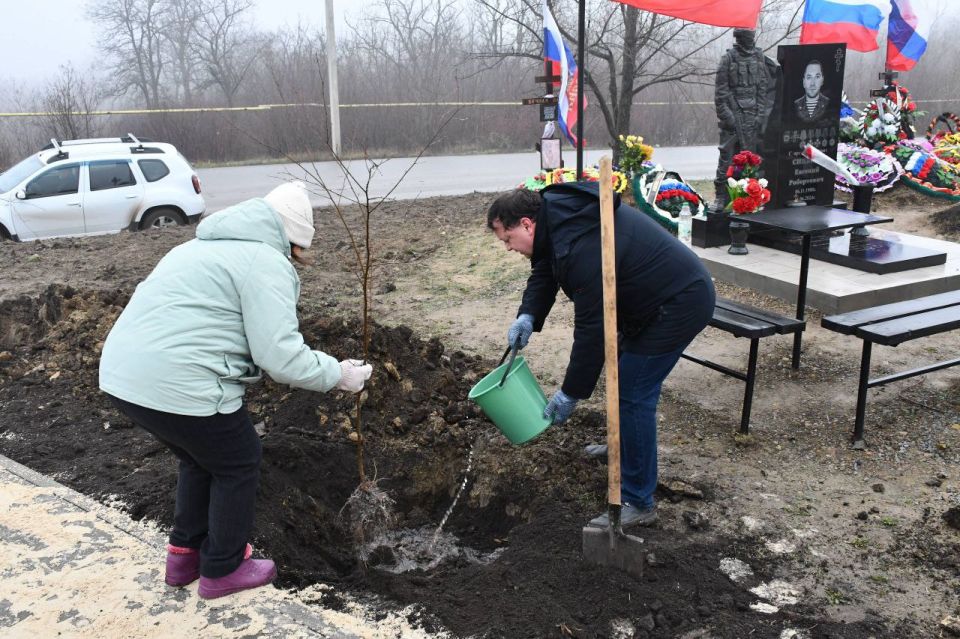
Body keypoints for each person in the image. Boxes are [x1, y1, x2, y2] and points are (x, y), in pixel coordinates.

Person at [98, 181, 372, 599]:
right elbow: (279, 356)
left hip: (125, 377)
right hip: (180, 381)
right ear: (293, 240)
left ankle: (183, 558)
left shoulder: (196, 247)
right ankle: (223, 568)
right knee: (239, 459)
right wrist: (338, 374)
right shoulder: (265, 261)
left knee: (198, 459)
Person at [487, 183, 715, 528]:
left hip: (678, 301)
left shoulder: (581, 247)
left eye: (507, 239)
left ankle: (639, 500)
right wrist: (528, 314)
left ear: (526, 224)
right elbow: (545, 269)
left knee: (633, 392)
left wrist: (571, 392)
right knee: (625, 380)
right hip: (649, 302)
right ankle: (623, 445)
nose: (507, 248)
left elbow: (593, 329)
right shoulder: (557, 220)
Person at [714, 28, 778, 211]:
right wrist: (729, 118)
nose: (751, 40)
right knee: (726, 157)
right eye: (748, 36)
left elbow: (762, 89)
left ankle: (750, 197)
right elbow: (720, 94)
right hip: (732, 117)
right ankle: (720, 196)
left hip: (752, 116)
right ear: (740, 38)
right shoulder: (728, 59)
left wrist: (759, 116)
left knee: (751, 160)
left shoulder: (758, 58)